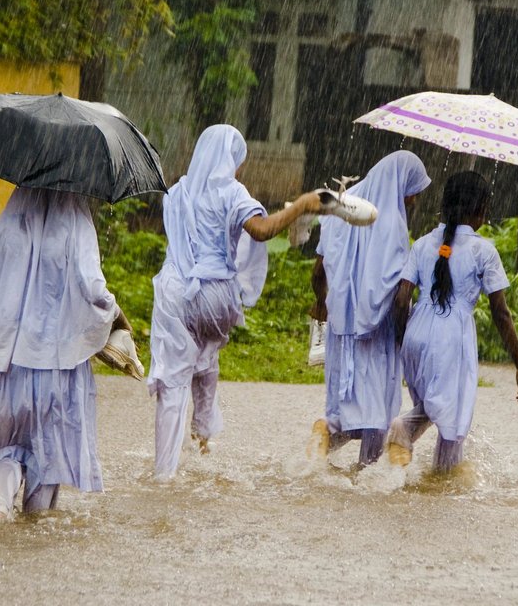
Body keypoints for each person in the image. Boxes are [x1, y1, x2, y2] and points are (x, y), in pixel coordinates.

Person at [148, 124, 368, 481]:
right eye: (238, 161)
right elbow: (262, 230)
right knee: (206, 369)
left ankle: (165, 474)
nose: (239, 169)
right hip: (216, 297)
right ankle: (201, 449)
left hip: (176, 292)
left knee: (173, 385)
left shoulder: (178, 192)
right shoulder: (233, 192)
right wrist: (302, 207)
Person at [0, 186, 142, 520]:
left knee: (8, 447)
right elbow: (93, 288)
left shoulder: (15, 210)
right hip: (57, 365)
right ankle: (34, 529)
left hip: (8, 362)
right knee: (47, 457)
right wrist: (118, 318)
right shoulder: (76, 217)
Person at [386, 171, 518, 472]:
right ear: (480, 209)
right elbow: (500, 312)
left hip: (417, 333)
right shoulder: (483, 250)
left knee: (434, 403)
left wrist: (404, 340)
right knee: (452, 424)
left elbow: (401, 300)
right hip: (452, 338)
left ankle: (405, 433)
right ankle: (441, 483)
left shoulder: (423, 244)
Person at [308, 151, 431, 467]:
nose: (414, 199)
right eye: (413, 189)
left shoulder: (342, 208)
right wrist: (403, 332)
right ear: (401, 184)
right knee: (377, 415)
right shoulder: (391, 224)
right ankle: (368, 481)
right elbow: (395, 292)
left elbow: (318, 271)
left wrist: (323, 303)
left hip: (341, 330)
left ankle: (327, 430)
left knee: (345, 405)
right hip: (376, 333)